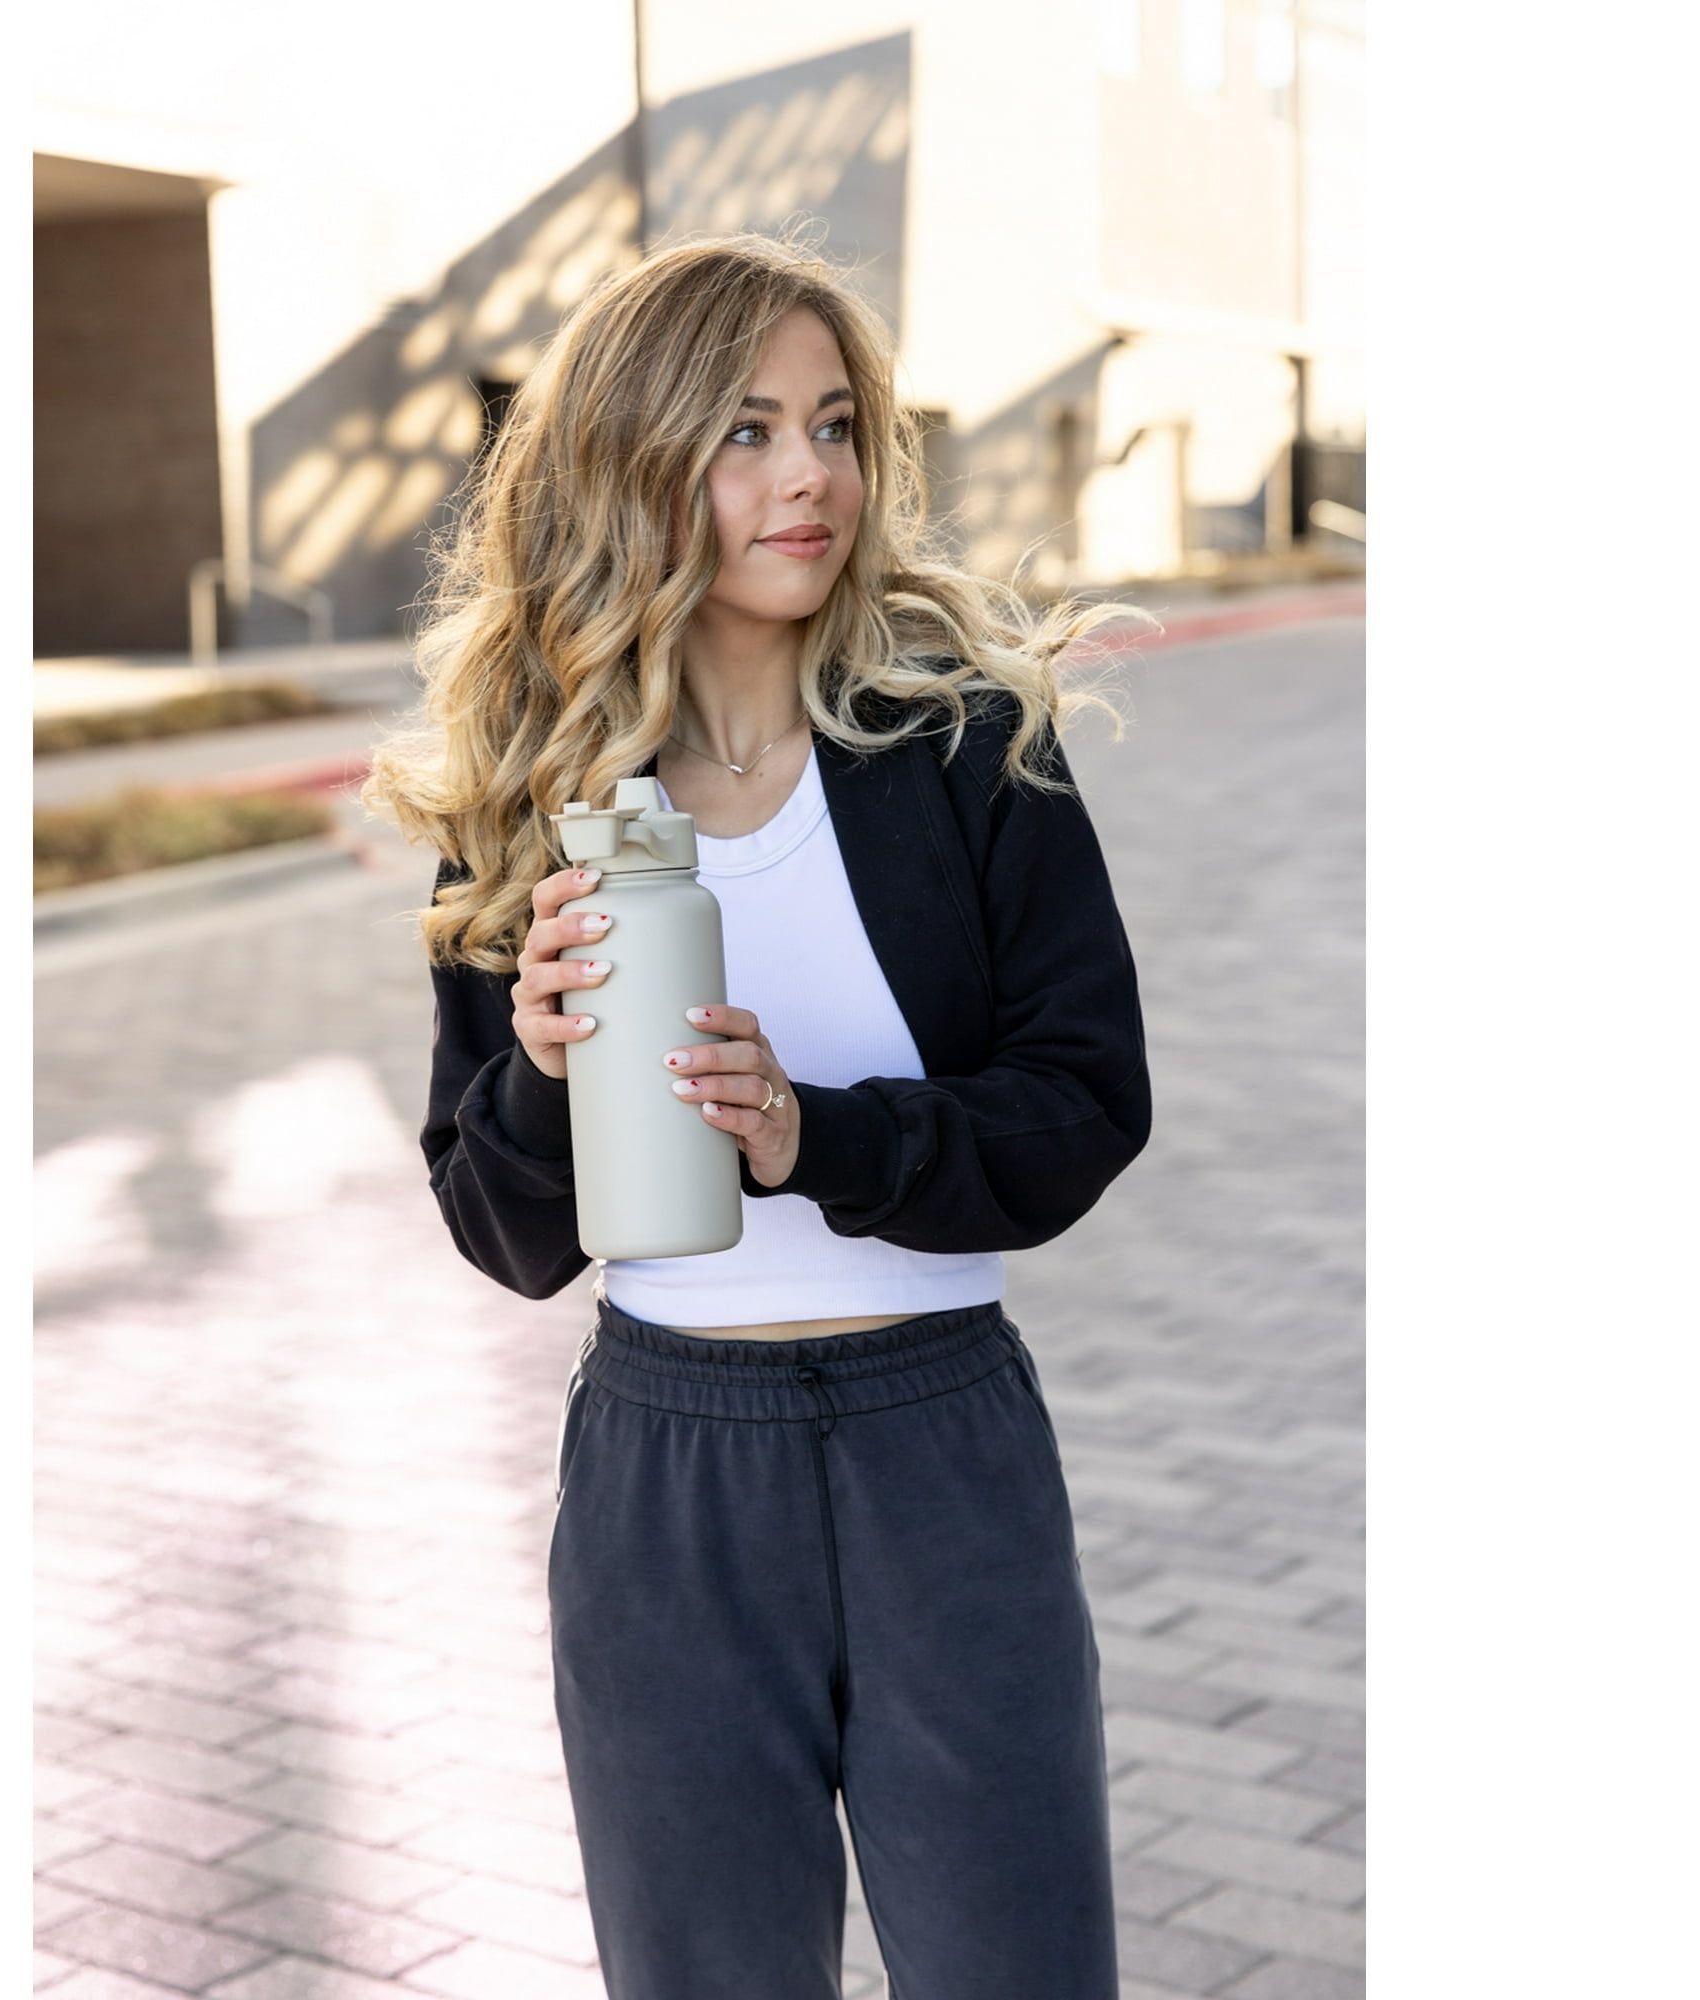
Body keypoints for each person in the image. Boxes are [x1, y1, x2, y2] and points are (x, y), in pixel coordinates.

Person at [362, 225, 1154, 2000]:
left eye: (834, 425)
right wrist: (542, 1075)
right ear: (632, 462)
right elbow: (498, 1233)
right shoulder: (535, 796)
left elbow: (1087, 1102)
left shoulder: (968, 745)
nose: (811, 474)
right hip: (667, 1479)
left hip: (945, 1450)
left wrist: (819, 1140)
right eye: (745, 430)